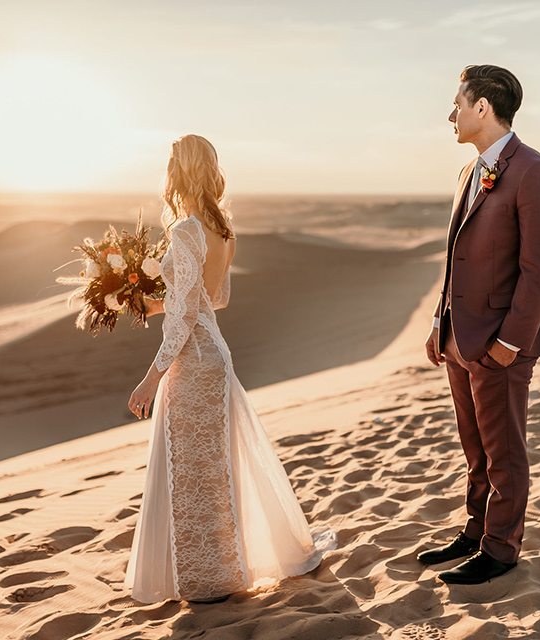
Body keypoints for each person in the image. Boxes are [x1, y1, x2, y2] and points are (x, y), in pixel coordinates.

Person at [124, 134, 336, 604]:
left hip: (192, 362)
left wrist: (150, 378)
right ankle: (218, 573)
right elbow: (210, 300)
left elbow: (183, 316)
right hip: (215, 354)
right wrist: (151, 303)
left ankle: (205, 582)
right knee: (213, 471)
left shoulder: (185, 231)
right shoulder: (223, 231)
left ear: (179, 172)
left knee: (193, 473)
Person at [418, 65, 540, 585]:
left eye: (457, 103)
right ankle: (475, 530)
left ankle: (501, 549)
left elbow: (539, 270)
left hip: (500, 343)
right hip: (460, 337)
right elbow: (457, 254)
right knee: (474, 447)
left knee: (505, 451)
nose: (450, 114)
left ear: (483, 108)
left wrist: (510, 342)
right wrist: (440, 322)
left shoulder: (534, 172)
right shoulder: (469, 171)